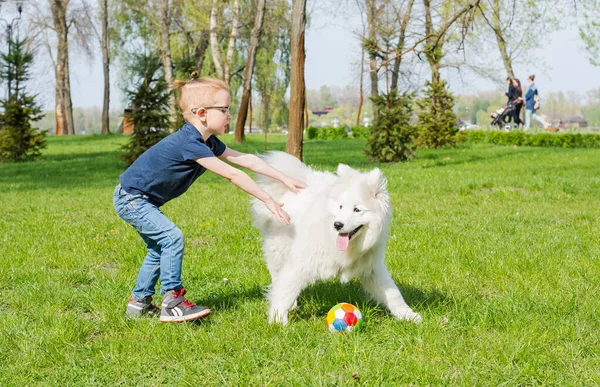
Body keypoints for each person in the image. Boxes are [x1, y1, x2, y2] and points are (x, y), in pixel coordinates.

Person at [113, 73, 306, 323]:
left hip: (140, 199)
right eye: (224, 109)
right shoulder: (189, 143)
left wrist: (283, 178)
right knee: (171, 238)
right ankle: (173, 301)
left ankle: (139, 303)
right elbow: (232, 173)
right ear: (202, 112)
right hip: (132, 199)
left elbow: (244, 159)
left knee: (158, 248)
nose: (229, 116)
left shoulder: (207, 142)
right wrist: (268, 199)